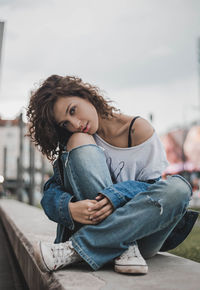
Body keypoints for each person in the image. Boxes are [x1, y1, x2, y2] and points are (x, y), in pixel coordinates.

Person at [27, 75, 194, 275]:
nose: (75, 124)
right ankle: (121, 247)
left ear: (85, 95)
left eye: (73, 110)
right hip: (108, 235)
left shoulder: (138, 130)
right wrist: (69, 209)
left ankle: (75, 250)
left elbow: (152, 188)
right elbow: (50, 192)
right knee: (80, 140)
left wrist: (116, 195)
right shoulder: (75, 141)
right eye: (65, 124)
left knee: (179, 188)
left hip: (142, 237)